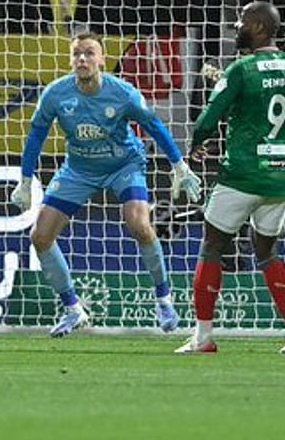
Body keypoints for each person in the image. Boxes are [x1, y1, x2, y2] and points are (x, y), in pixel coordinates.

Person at [11, 31, 202, 337]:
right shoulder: (56, 94)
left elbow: (153, 125)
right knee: (40, 236)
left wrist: (179, 165)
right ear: (70, 60)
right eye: (77, 54)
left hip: (123, 165)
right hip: (79, 168)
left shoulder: (123, 93)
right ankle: (73, 310)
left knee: (140, 225)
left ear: (101, 59)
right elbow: (36, 134)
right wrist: (24, 179)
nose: (82, 59)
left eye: (89, 53)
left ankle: (164, 300)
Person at [177, 2, 285, 355]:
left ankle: (203, 337)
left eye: (243, 22)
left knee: (212, 246)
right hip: (280, 179)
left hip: (241, 175)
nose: (237, 27)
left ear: (261, 28)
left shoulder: (241, 69)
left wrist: (197, 143)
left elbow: (207, 119)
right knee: (266, 250)